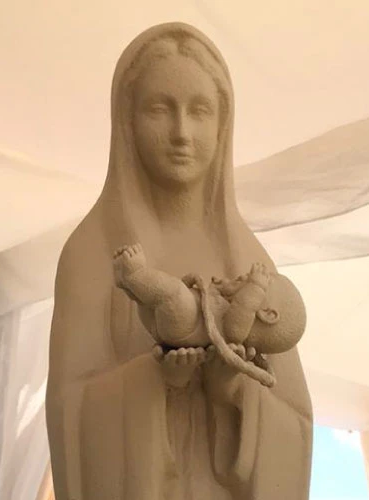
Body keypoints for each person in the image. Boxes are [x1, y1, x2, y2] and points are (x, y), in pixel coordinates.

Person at [45, 22, 313, 500]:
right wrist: (157, 380)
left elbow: (295, 421)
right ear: (127, 121)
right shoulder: (91, 253)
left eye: (199, 111)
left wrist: (232, 390)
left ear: (222, 125)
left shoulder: (249, 260)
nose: (181, 133)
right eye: (159, 109)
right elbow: (70, 410)